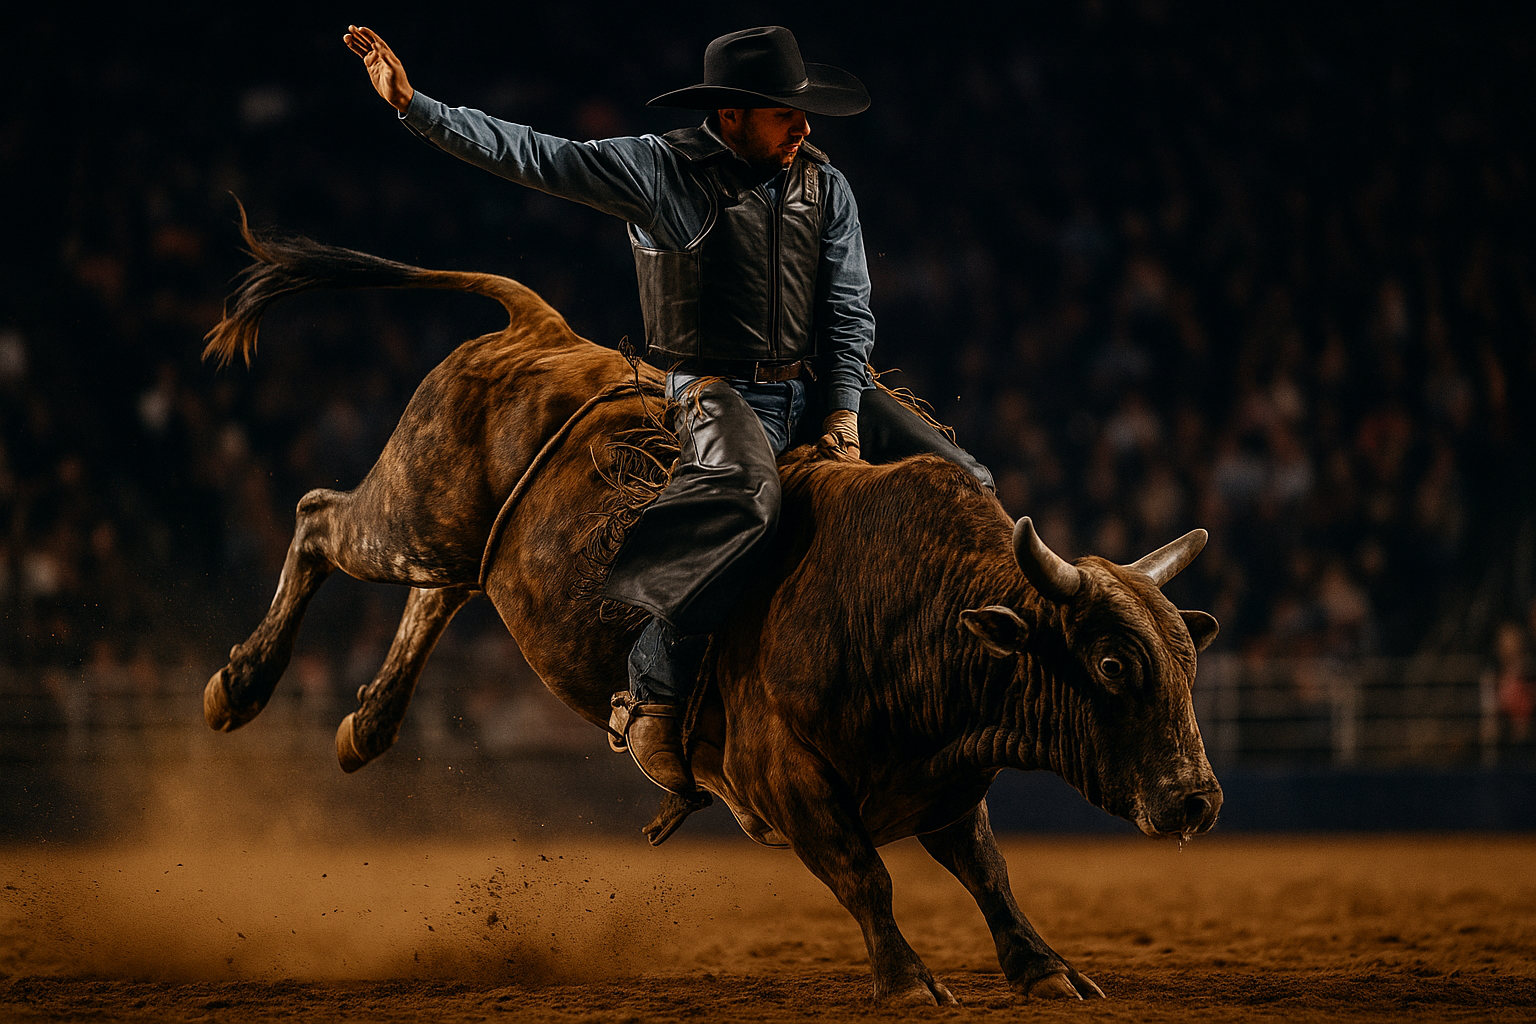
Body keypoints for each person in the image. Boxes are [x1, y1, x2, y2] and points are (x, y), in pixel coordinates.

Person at [344, 24, 993, 794]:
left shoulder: (828, 187)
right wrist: (416, 107)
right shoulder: (658, 170)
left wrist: (844, 416)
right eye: (785, 112)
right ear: (730, 117)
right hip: (710, 389)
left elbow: (847, 314)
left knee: (968, 479)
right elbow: (532, 154)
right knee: (748, 498)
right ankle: (653, 687)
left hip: (818, 383)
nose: (804, 125)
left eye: (802, 110)